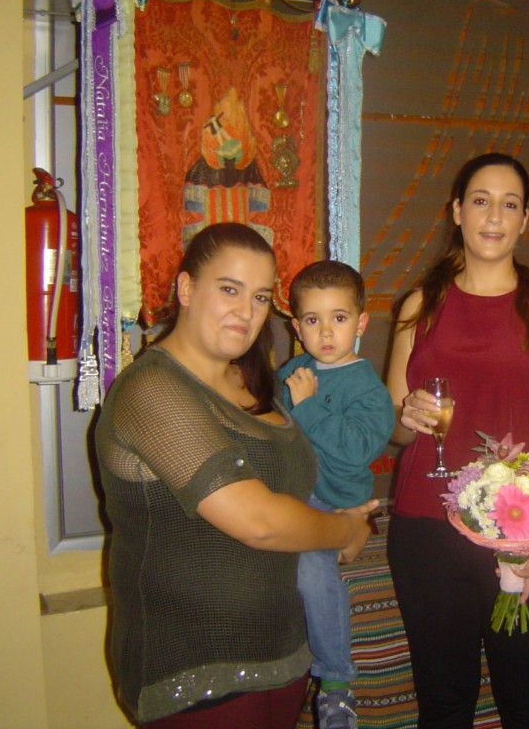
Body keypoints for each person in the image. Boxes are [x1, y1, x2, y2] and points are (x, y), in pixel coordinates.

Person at [96, 223, 377, 729]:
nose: (246, 312)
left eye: (261, 297)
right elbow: (258, 521)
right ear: (186, 289)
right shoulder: (152, 390)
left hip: (285, 655)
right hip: (195, 670)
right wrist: (345, 529)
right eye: (229, 289)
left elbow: (312, 473)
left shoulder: (256, 380)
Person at [385, 152, 529, 728]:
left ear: (525, 219)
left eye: (509, 204)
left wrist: (527, 533)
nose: (494, 216)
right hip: (426, 526)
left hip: (525, 533)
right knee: (443, 703)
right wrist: (407, 415)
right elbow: (395, 430)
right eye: (480, 201)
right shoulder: (420, 306)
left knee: (528, 704)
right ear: (457, 211)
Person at [278, 260, 395, 729]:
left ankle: (336, 683)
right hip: (291, 493)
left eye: (339, 318)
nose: (326, 332)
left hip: (334, 501)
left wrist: (306, 407)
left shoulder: (369, 389)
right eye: (313, 319)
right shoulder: (295, 369)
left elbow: (355, 450)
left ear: (361, 323)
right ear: (296, 328)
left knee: (311, 570)